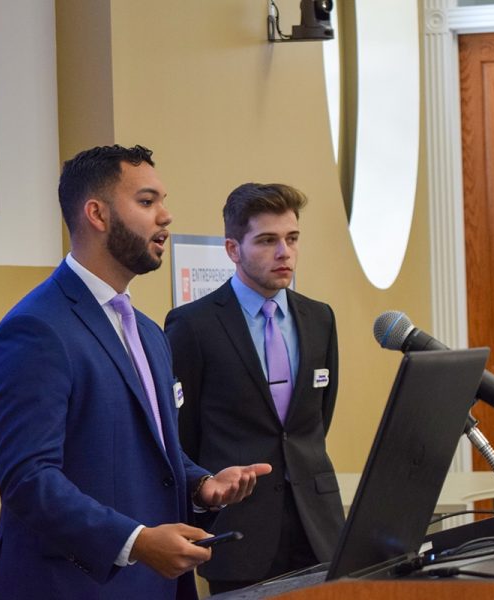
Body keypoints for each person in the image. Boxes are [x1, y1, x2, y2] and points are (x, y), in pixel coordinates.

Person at [0, 144, 271, 599]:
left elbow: (150, 451)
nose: (166, 216)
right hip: (74, 589)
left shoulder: (149, 332)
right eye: (147, 201)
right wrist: (134, 542)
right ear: (97, 214)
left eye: (162, 201)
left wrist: (201, 485)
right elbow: (28, 480)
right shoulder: (36, 329)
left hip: (155, 586)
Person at [164, 183, 345, 594]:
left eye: (292, 239)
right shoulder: (193, 325)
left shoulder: (320, 318)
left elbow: (315, 419)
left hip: (319, 528)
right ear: (233, 249)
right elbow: (182, 434)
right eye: (267, 241)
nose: (285, 253)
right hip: (239, 532)